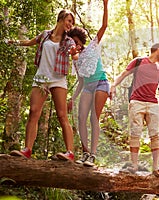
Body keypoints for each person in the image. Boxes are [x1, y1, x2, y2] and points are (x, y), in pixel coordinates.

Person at [9, 10, 77, 161]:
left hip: (58, 79)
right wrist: (13, 42)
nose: (70, 24)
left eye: (72, 22)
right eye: (69, 20)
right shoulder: (45, 35)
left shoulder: (69, 41)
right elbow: (29, 42)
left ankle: (70, 153)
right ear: (61, 19)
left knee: (62, 115)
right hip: (41, 77)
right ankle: (27, 150)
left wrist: (74, 53)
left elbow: (75, 54)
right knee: (33, 111)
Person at [110, 42, 159, 177]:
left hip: (153, 104)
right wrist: (113, 85)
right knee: (135, 134)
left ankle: (156, 168)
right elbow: (124, 74)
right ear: (158, 50)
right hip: (136, 102)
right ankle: (134, 166)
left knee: (155, 135)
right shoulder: (138, 62)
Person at [67, 0, 109, 167]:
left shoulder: (92, 46)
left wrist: (106, 5)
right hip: (87, 87)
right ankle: (84, 153)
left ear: (81, 41)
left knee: (94, 118)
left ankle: (93, 155)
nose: (75, 46)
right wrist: (72, 98)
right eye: (72, 43)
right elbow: (81, 81)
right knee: (80, 117)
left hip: (101, 83)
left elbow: (104, 26)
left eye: (76, 42)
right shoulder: (75, 60)